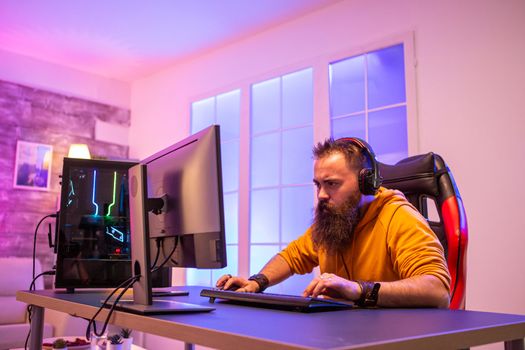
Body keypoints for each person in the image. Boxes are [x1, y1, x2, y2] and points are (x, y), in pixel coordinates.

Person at [217, 137, 451, 308]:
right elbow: (291, 256)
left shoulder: (399, 217)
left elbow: (437, 289)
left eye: (332, 184)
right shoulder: (335, 222)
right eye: (318, 185)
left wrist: (359, 290)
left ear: (366, 182)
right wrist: (257, 282)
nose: (321, 195)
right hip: (348, 336)